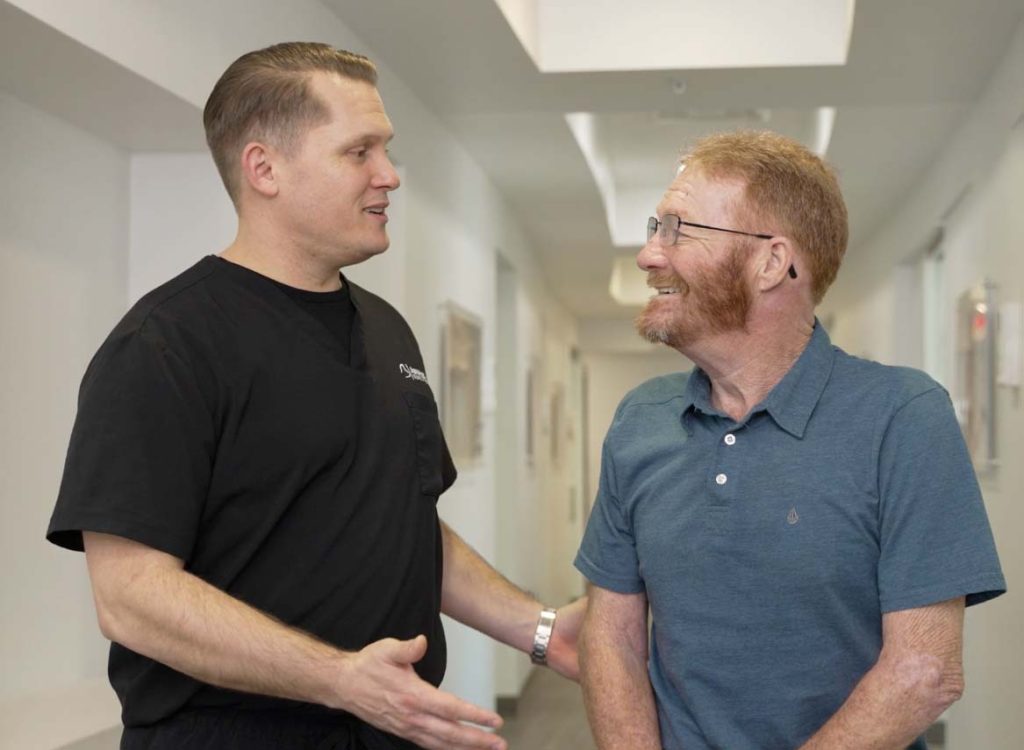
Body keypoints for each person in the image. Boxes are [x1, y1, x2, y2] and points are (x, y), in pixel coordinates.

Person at [47, 42, 582, 750]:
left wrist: (540, 629)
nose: (389, 176)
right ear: (264, 168)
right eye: (358, 152)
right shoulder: (164, 344)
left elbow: (405, 522)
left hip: (392, 723)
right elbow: (131, 597)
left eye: (385, 149)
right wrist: (338, 677)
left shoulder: (386, 329)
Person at [574, 130, 1006, 750]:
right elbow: (611, 631)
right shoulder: (640, 418)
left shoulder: (904, 417)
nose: (648, 255)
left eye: (677, 229)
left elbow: (925, 672)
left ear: (772, 262)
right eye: (654, 226)